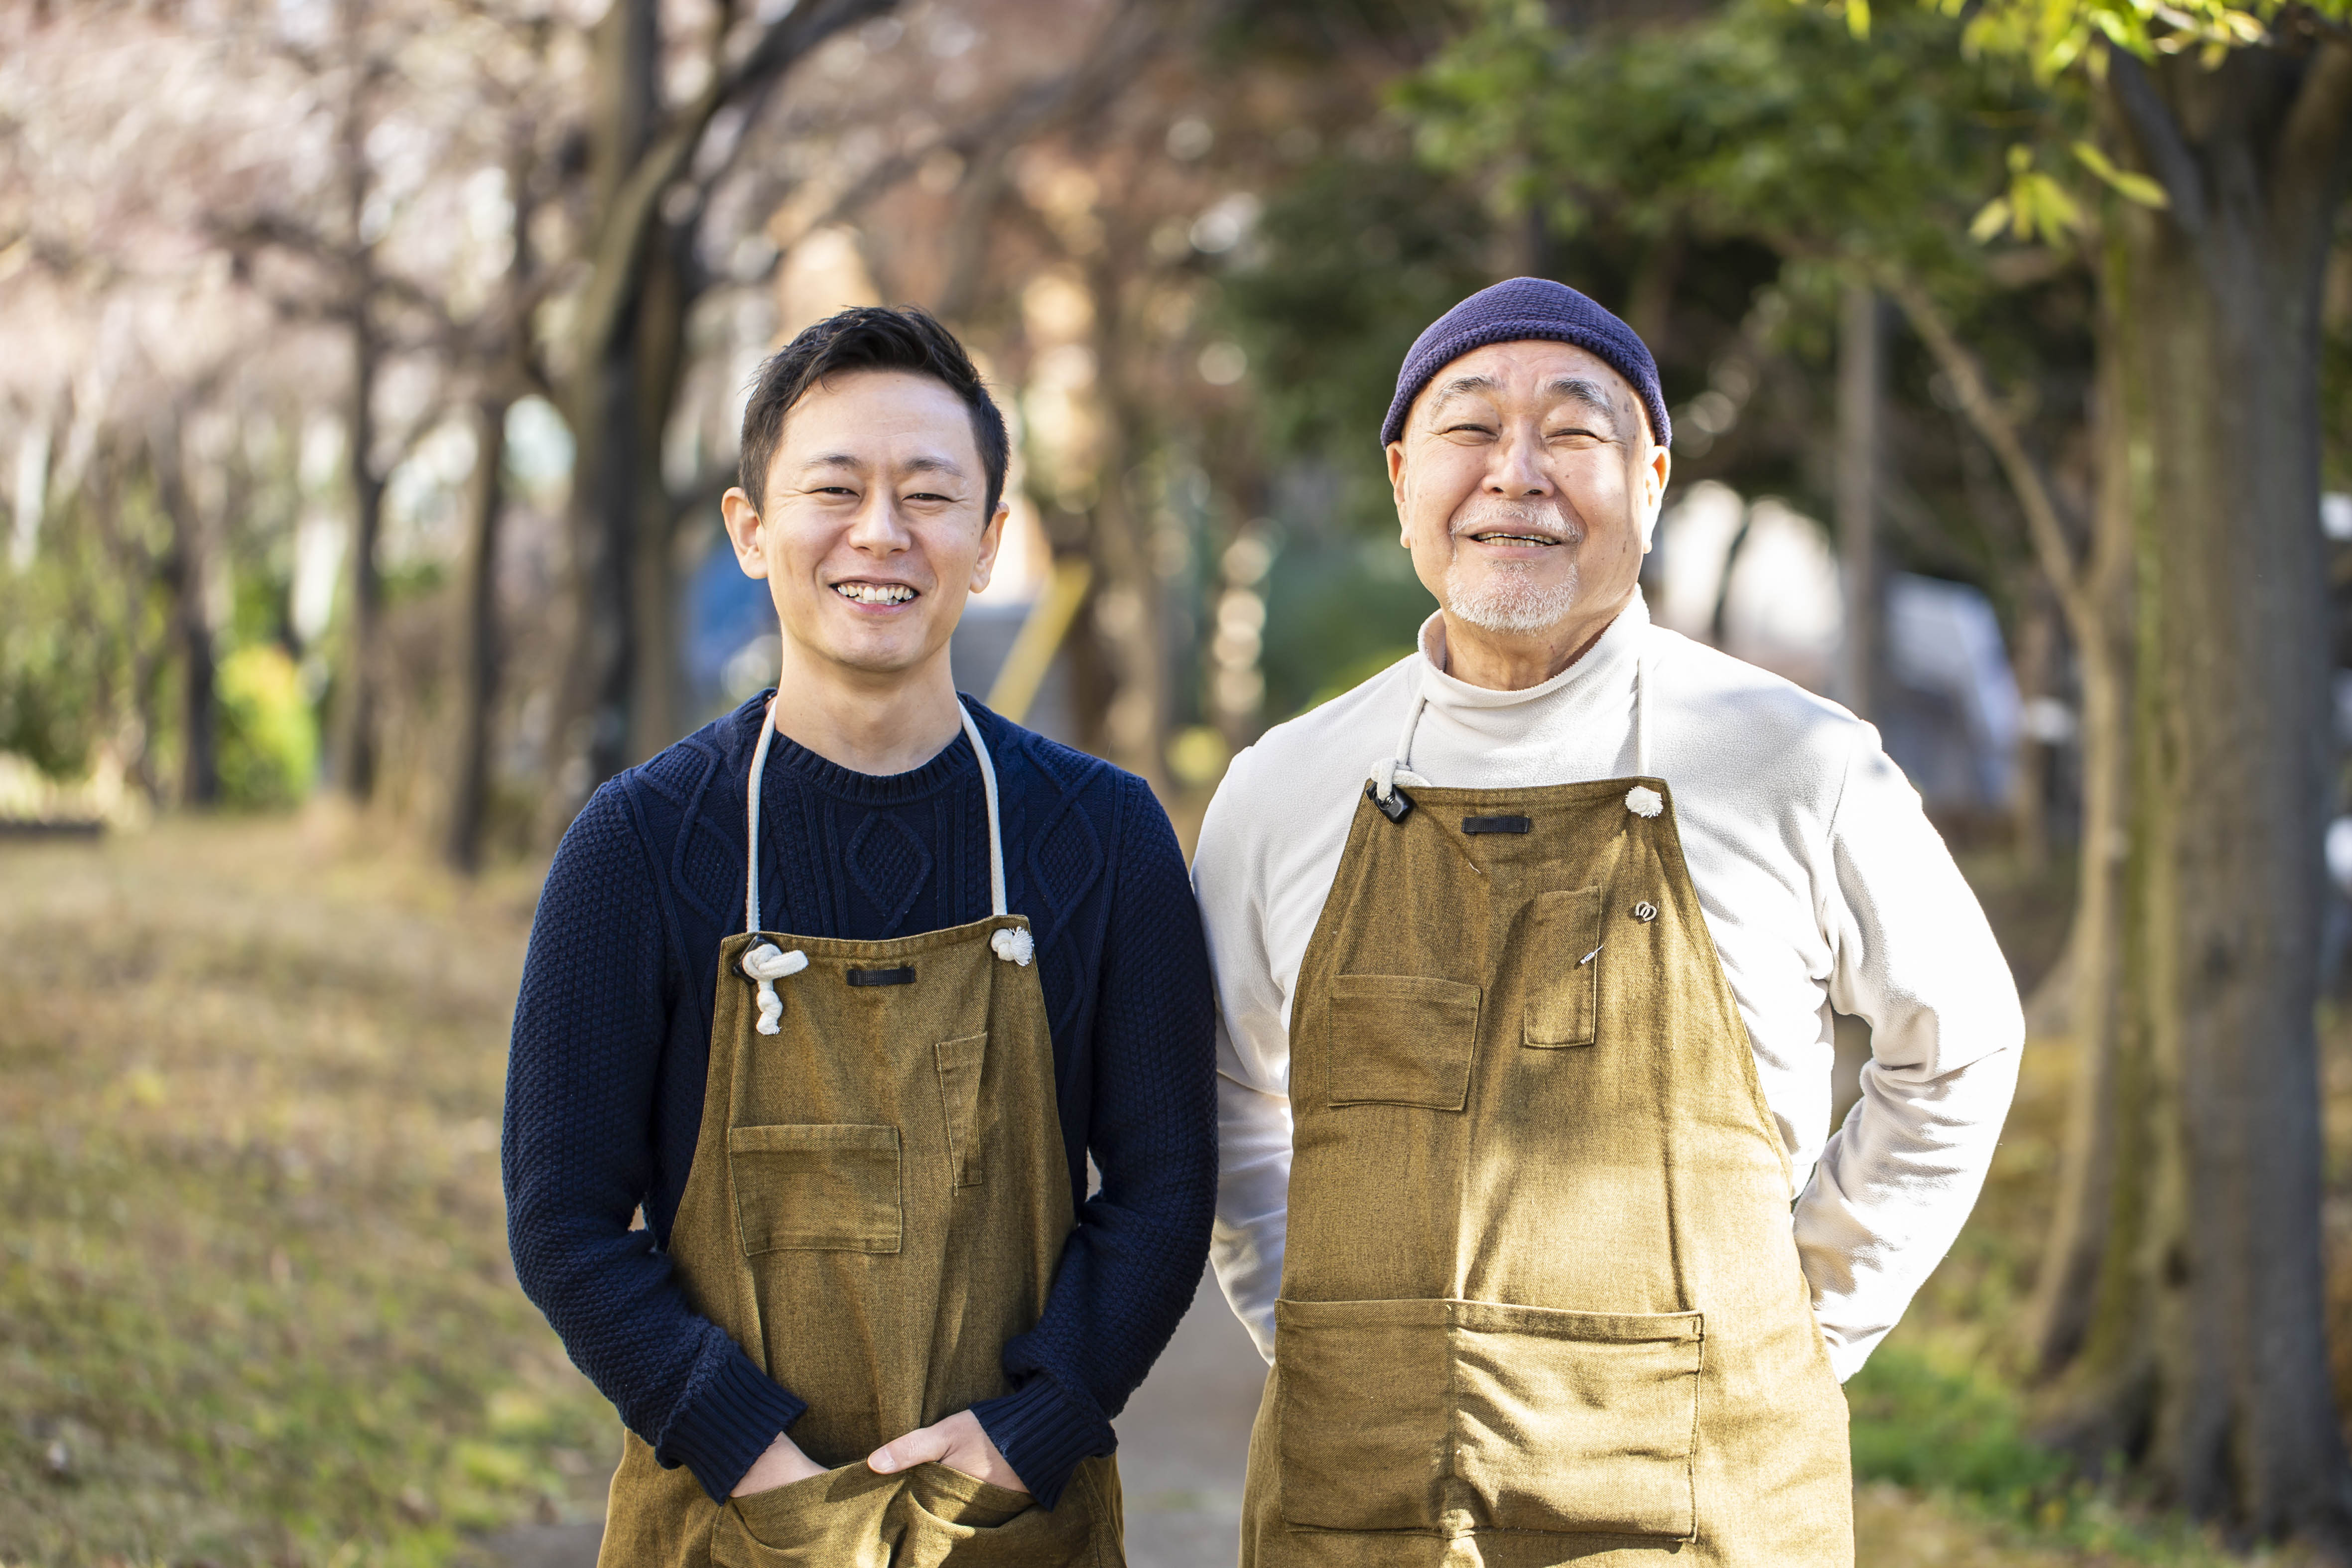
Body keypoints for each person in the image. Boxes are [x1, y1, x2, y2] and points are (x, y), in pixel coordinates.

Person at [1193, 277, 2022, 1568]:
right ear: (1405, 476)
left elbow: (1958, 1045)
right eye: (1470, 430)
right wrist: (1319, 1324)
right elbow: (1223, 1089)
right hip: (1358, 1491)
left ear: (1649, 480)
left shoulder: (1795, 759)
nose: (1515, 475)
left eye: (1573, 434)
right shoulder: (1285, 785)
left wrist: (1804, 1324)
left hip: (1707, 1490)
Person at [506, 305, 1216, 1566]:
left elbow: (1163, 1187)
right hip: (726, 1521)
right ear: (750, 528)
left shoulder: (1104, 836)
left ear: (991, 541)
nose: (880, 532)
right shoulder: (639, 844)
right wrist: (758, 1464)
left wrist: (1031, 1429)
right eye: (833, 488)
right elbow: (560, 1216)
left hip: (1019, 1522)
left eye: (930, 495)